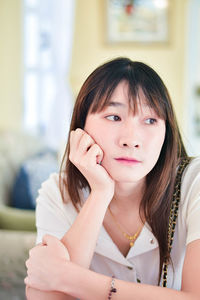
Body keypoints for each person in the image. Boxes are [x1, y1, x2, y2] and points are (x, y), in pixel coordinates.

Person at [25, 57, 200, 300]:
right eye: (114, 117)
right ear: (81, 126)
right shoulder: (58, 192)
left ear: (166, 133)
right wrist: (100, 193)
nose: (131, 139)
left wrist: (70, 278)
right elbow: (50, 296)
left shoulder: (194, 183)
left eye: (150, 120)